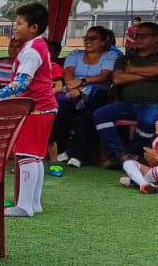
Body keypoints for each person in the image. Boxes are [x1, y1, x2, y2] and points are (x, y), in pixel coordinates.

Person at [0, 2, 59, 217]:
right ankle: (33, 203)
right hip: (45, 107)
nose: (15, 28)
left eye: (19, 23)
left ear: (34, 27)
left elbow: (21, 83)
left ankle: (24, 205)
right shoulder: (39, 45)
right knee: (35, 156)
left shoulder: (30, 50)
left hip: (36, 107)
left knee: (25, 155)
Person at [93, 21, 158, 167]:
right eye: (136, 36)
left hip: (154, 103)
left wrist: (131, 70)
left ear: (156, 38)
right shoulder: (125, 58)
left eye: (143, 36)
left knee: (148, 121)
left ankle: (132, 154)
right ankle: (120, 153)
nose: (138, 39)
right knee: (99, 114)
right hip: (126, 103)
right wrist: (149, 73)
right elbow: (117, 79)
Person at [50, 26, 119, 166]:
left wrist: (82, 81)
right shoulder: (75, 54)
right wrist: (73, 87)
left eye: (93, 38)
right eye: (86, 38)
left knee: (88, 114)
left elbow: (104, 75)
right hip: (72, 90)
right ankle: (61, 150)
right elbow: (68, 72)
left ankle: (77, 155)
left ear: (103, 41)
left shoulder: (110, 55)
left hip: (97, 92)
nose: (88, 41)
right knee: (58, 110)